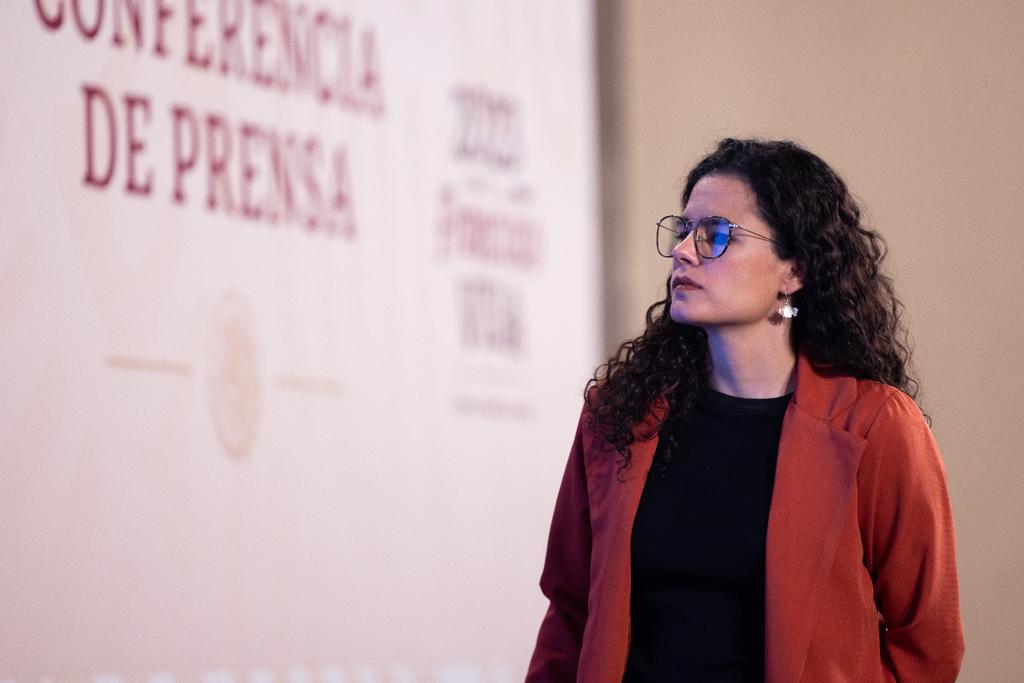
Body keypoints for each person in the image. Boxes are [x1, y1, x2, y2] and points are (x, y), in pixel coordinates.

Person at [526, 139, 964, 682]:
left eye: (716, 235)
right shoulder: (620, 413)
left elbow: (928, 644)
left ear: (794, 271)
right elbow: (570, 613)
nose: (684, 252)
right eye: (683, 230)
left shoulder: (876, 425)